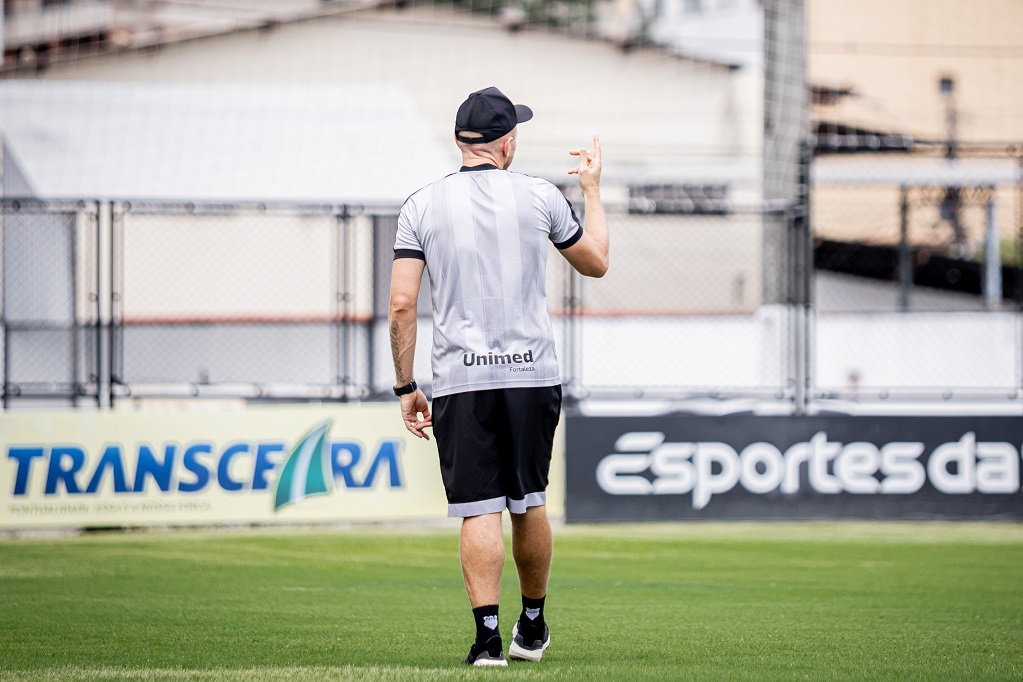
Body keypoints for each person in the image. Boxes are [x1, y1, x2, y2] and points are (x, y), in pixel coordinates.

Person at [388, 86, 608, 667]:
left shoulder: (419, 205)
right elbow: (598, 262)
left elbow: (402, 305)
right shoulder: (541, 196)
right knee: (528, 501)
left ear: (462, 141)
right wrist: (591, 190)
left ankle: (487, 641)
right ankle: (531, 626)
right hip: (532, 374)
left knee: (477, 507)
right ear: (506, 141)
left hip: (461, 378)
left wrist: (406, 386)